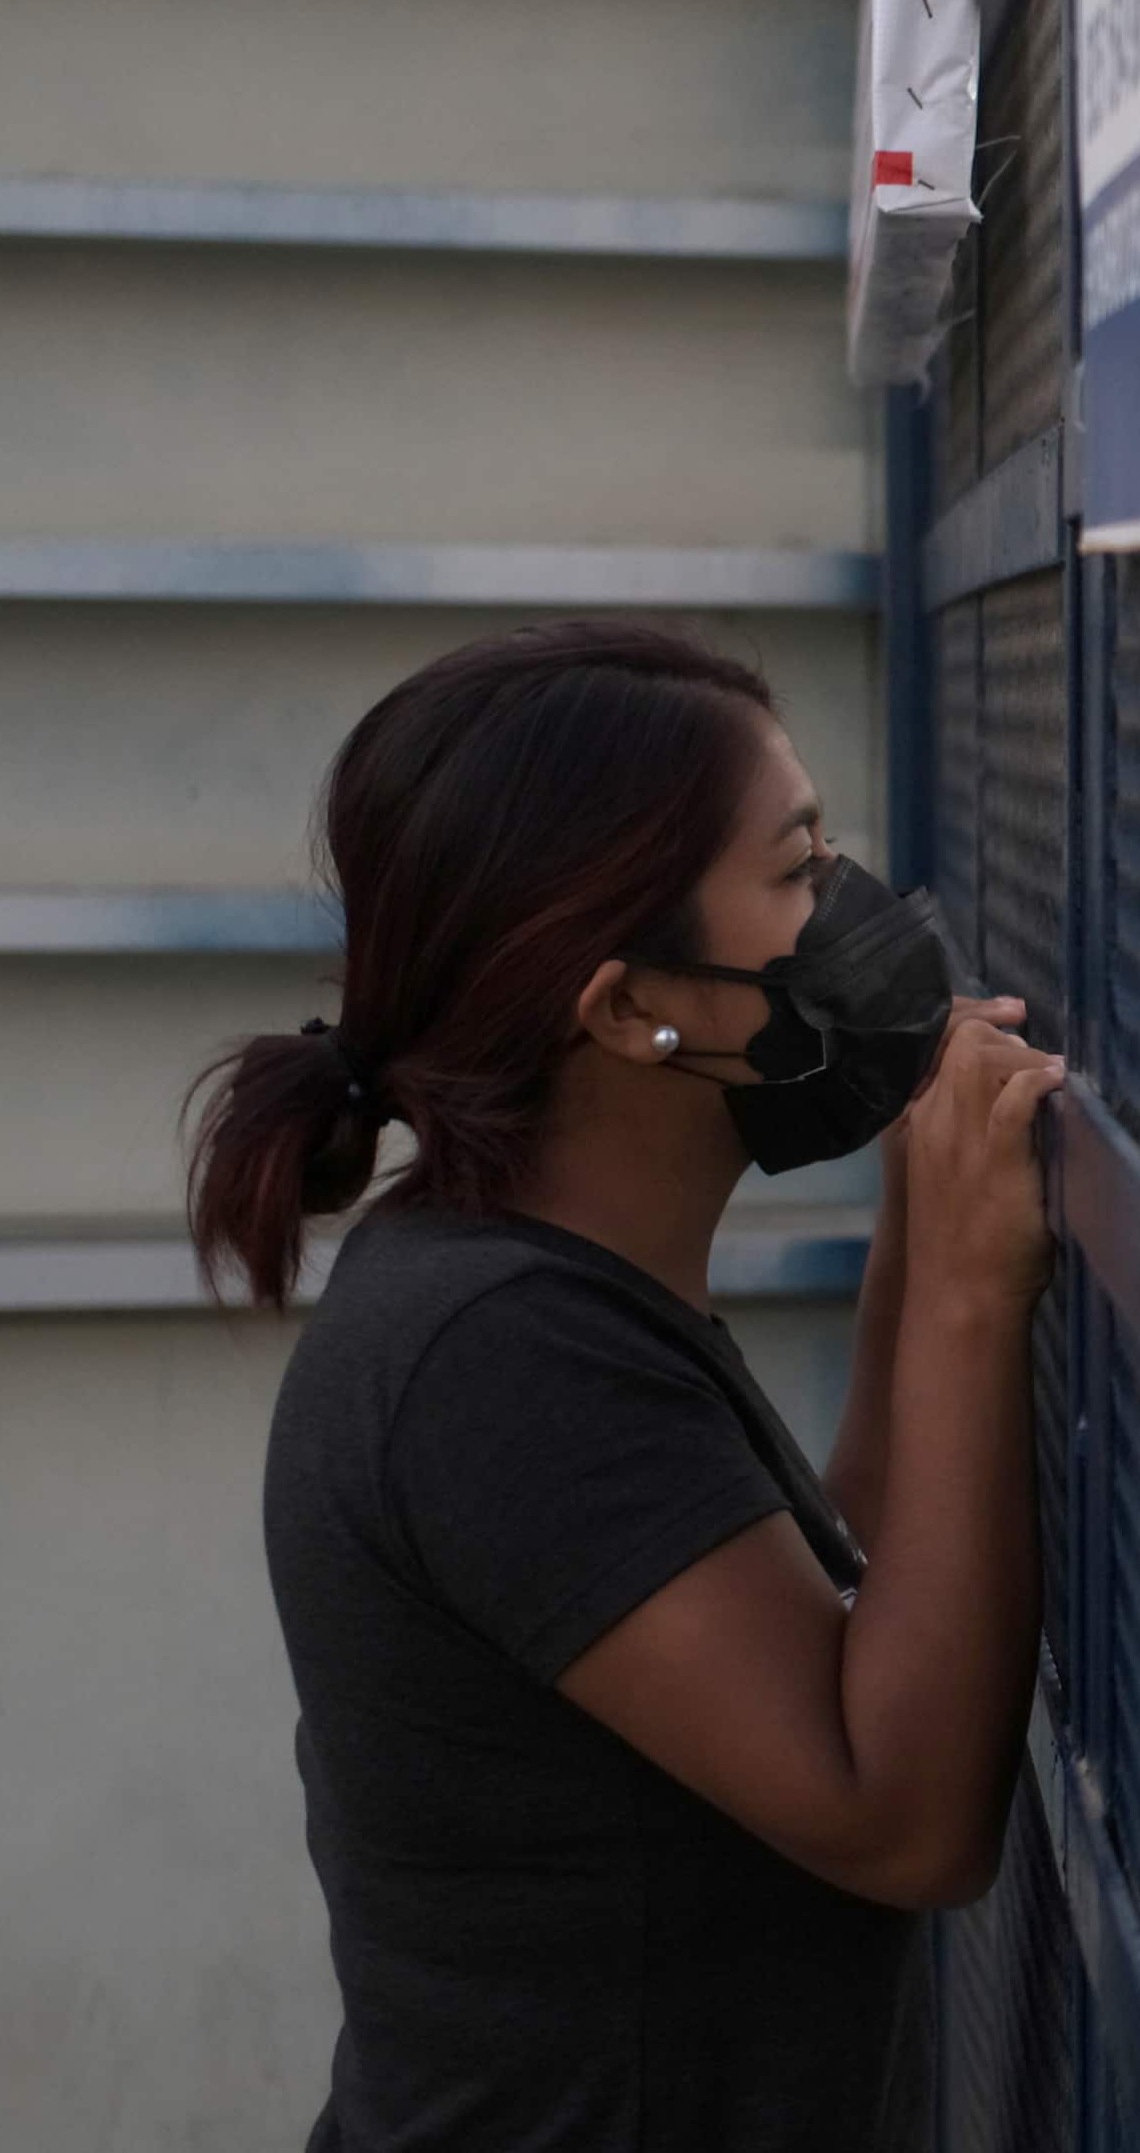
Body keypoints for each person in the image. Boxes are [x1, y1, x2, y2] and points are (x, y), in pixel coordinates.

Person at [186, 621, 1067, 2152]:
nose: (849, 906)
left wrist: (924, 1249)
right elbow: (901, 1807)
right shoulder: (495, 1357)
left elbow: (836, 1610)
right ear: (626, 1008)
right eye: (798, 871)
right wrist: (979, 1304)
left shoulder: (524, 1291)